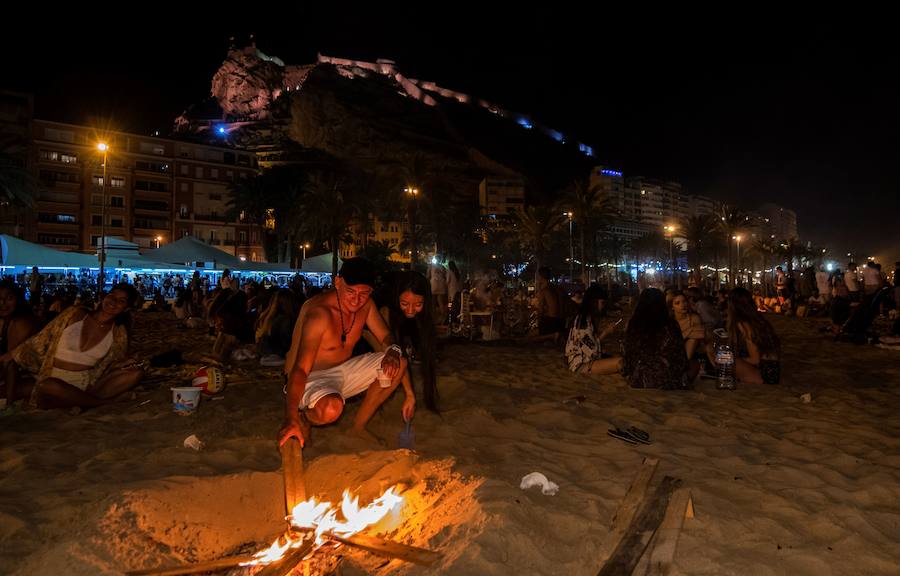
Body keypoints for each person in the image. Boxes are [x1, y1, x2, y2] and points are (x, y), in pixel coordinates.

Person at [279, 258, 408, 446]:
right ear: (338, 283)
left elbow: (386, 336)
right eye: (351, 292)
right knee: (331, 409)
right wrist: (290, 416)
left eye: (364, 293)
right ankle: (304, 417)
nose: (356, 300)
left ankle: (358, 427)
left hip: (342, 372)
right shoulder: (320, 314)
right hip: (309, 379)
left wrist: (393, 351)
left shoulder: (366, 305)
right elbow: (300, 369)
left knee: (399, 362)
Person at [4, 283, 144, 409]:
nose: (113, 302)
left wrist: (127, 363)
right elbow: (42, 338)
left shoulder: (119, 333)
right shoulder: (75, 313)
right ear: (105, 296)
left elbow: (112, 363)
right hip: (49, 376)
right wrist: (11, 355)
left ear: (126, 308)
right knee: (47, 385)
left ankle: (81, 400)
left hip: (85, 383)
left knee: (135, 374)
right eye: (112, 295)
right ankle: (99, 403)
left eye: (121, 301)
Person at [364, 271, 436, 416]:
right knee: (389, 365)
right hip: (366, 337)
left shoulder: (423, 314)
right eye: (404, 303)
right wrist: (410, 394)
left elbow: (426, 355)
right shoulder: (385, 308)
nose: (410, 310)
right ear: (397, 299)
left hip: (397, 334)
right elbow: (391, 352)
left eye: (418, 304)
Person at [622, 288, 691, 389]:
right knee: (694, 365)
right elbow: (681, 357)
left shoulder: (634, 324)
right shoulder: (670, 324)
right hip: (666, 379)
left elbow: (627, 354)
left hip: (638, 379)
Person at [710, 287, 781, 385]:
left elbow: (755, 359)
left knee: (722, 357)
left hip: (764, 374)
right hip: (771, 370)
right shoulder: (757, 320)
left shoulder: (745, 325)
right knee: (722, 356)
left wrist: (735, 358)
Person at [0, 280, 41, 405]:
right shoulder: (6, 320)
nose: (3, 303)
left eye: (9, 298)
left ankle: (9, 406)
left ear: (18, 300)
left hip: (36, 377)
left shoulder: (20, 323)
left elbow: (10, 360)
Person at [565, 284, 621, 374]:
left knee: (619, 358)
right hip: (580, 365)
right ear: (594, 302)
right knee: (620, 363)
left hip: (585, 361)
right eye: (602, 303)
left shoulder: (585, 318)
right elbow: (592, 350)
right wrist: (606, 332)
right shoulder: (583, 322)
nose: (603, 306)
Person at [671, 291, 705, 360]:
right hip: (673, 351)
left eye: (684, 301)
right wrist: (690, 330)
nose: (682, 305)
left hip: (692, 353)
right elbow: (672, 342)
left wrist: (682, 335)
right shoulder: (670, 321)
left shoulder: (694, 318)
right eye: (677, 303)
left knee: (693, 339)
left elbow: (702, 334)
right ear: (672, 307)